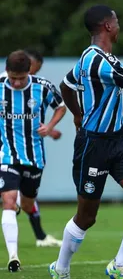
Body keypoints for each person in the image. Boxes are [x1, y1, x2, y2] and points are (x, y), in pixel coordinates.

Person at [48, 5, 123, 279]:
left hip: (120, 140)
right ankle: (60, 268)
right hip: (93, 145)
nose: (119, 26)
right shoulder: (99, 61)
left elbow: (66, 84)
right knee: (87, 217)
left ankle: (119, 265)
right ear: (107, 26)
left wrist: (77, 114)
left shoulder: (94, 58)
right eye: (116, 22)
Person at [0, 50, 66, 272]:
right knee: (8, 200)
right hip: (6, 154)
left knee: (27, 204)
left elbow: (61, 106)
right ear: (7, 72)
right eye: (12, 78)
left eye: (21, 78)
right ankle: (13, 257)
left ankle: (34, 225)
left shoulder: (42, 86)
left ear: (29, 72)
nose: (17, 83)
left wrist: (49, 127)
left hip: (34, 158)